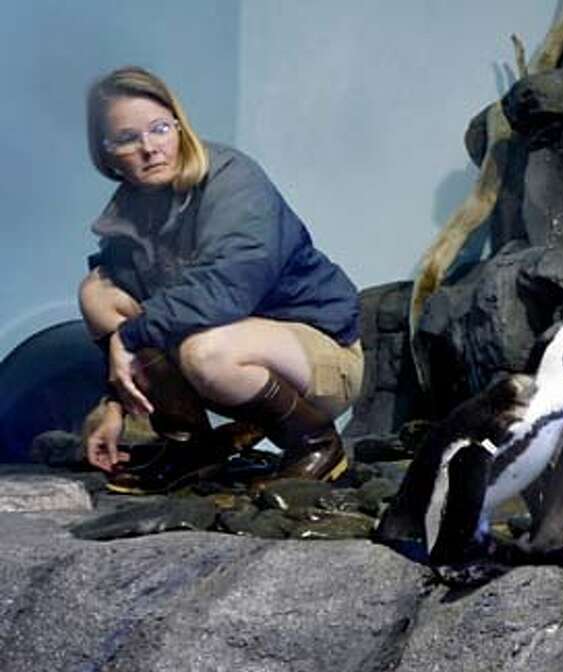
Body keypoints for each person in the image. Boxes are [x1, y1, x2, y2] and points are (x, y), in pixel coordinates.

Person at [79, 65, 363, 493]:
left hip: (321, 354)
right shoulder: (131, 211)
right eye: (127, 138)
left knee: (204, 351)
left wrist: (130, 336)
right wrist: (115, 406)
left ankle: (315, 444)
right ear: (106, 153)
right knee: (97, 292)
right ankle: (189, 447)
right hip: (234, 348)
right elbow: (131, 314)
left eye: (159, 128)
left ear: (179, 125)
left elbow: (227, 288)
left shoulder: (233, 180)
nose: (150, 148)